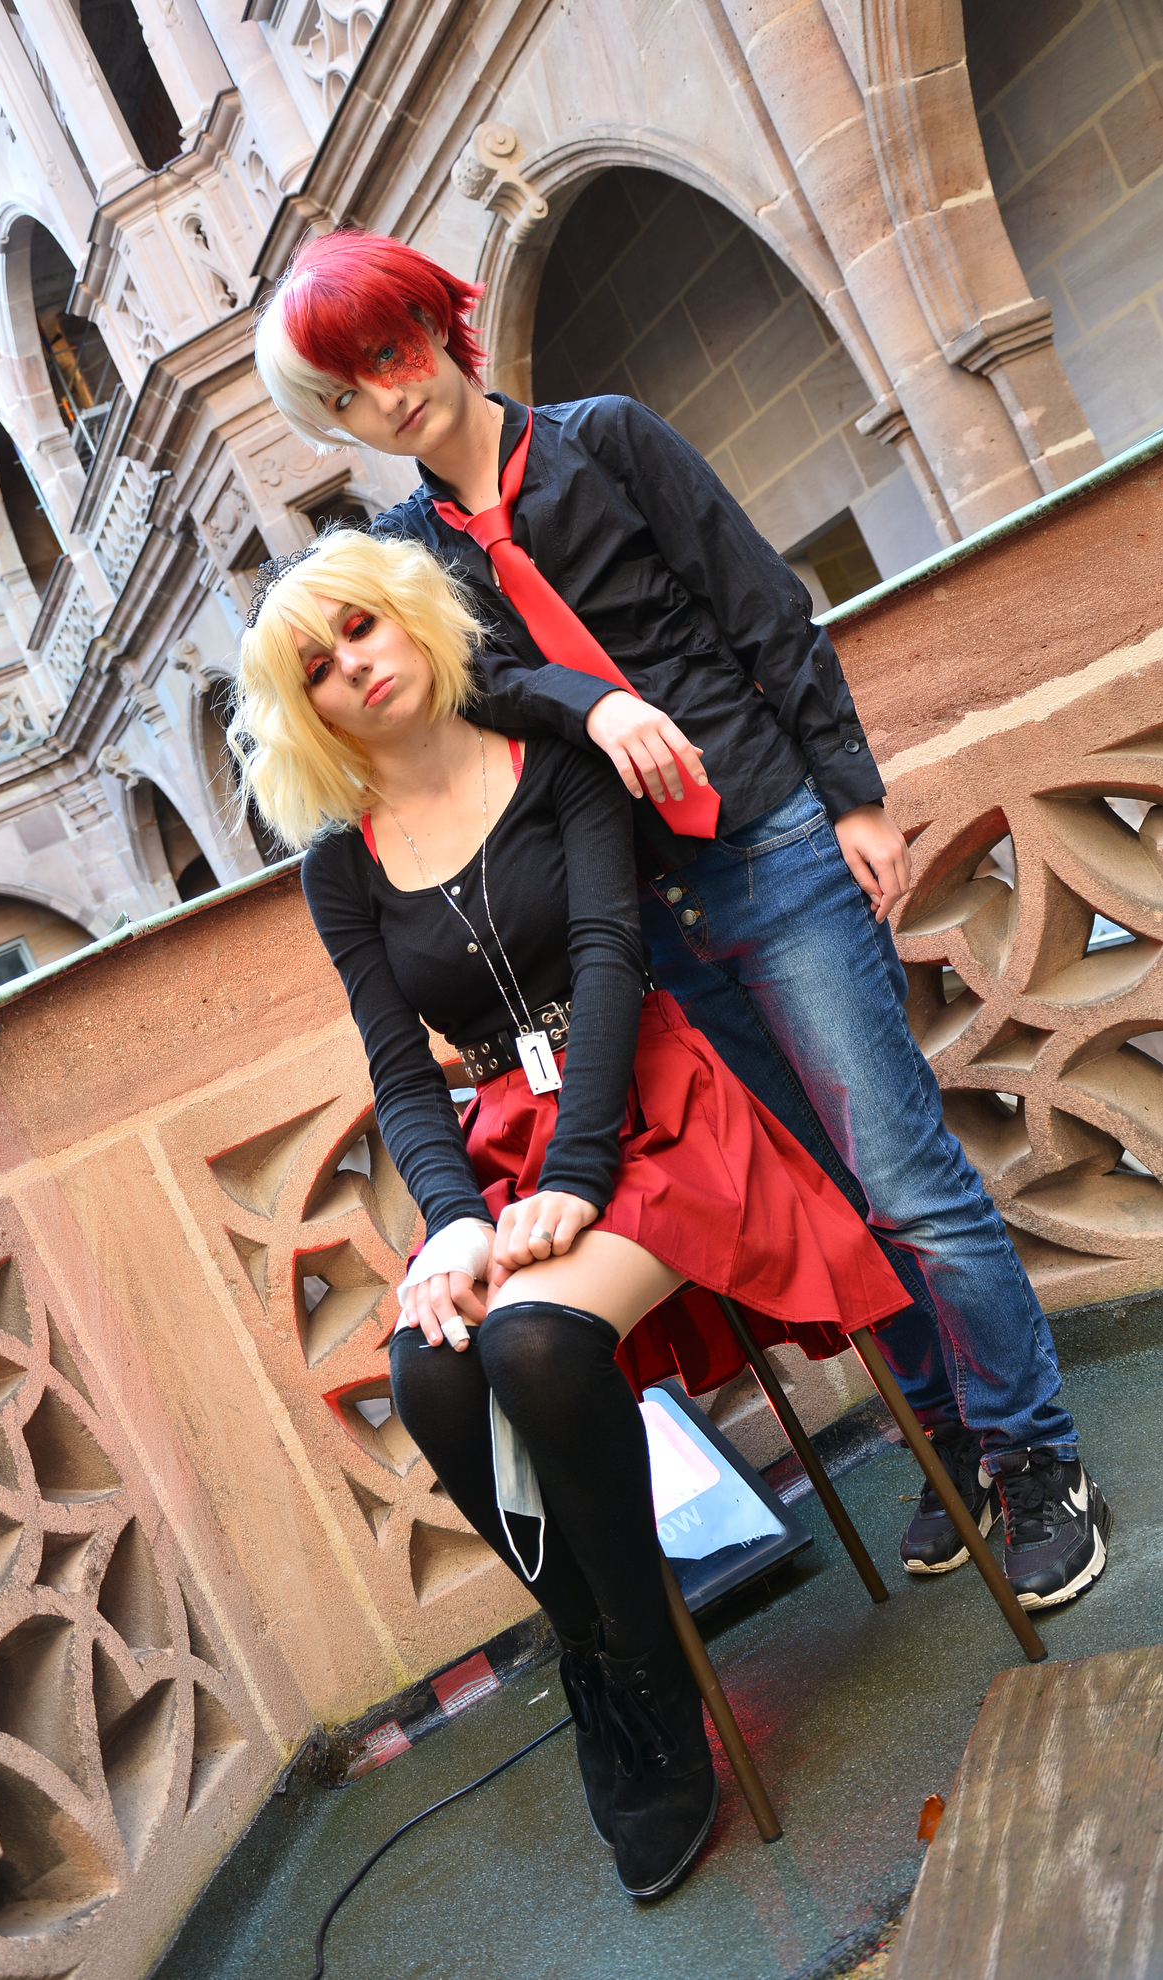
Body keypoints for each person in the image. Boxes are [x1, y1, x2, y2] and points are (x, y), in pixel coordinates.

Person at [251, 231, 1113, 1613]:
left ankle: (1034, 1455)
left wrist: (851, 795)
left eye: (389, 354)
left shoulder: (607, 439)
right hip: (628, 910)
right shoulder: (406, 556)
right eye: (345, 396)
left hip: (767, 840)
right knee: (822, 1187)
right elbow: (471, 693)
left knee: (902, 1175)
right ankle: (945, 1425)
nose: (386, 398)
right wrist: (589, 701)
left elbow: (761, 607)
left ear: (438, 330)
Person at [229, 528, 908, 1900]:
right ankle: (596, 1650)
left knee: (532, 1342)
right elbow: (398, 1070)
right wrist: (452, 1221)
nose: (354, 666)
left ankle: (651, 1664)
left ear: (412, 617)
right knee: (431, 1367)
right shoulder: (338, 869)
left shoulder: (552, 764)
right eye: (317, 667)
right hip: (498, 1145)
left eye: (360, 627)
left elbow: (607, 960)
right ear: (306, 712)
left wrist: (576, 1180)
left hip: (649, 1101)